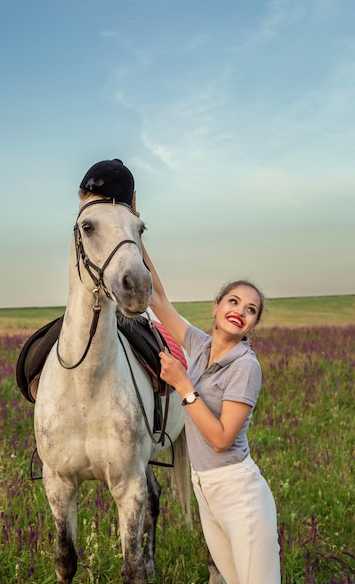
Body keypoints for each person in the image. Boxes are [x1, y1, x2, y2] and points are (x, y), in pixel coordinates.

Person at [138, 235, 281, 583]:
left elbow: (221, 438)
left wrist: (183, 384)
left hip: (238, 490)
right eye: (234, 301)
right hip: (205, 486)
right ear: (215, 306)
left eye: (250, 310)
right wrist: (135, 233)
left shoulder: (245, 366)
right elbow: (157, 298)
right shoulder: (199, 346)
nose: (240, 311)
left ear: (253, 325)